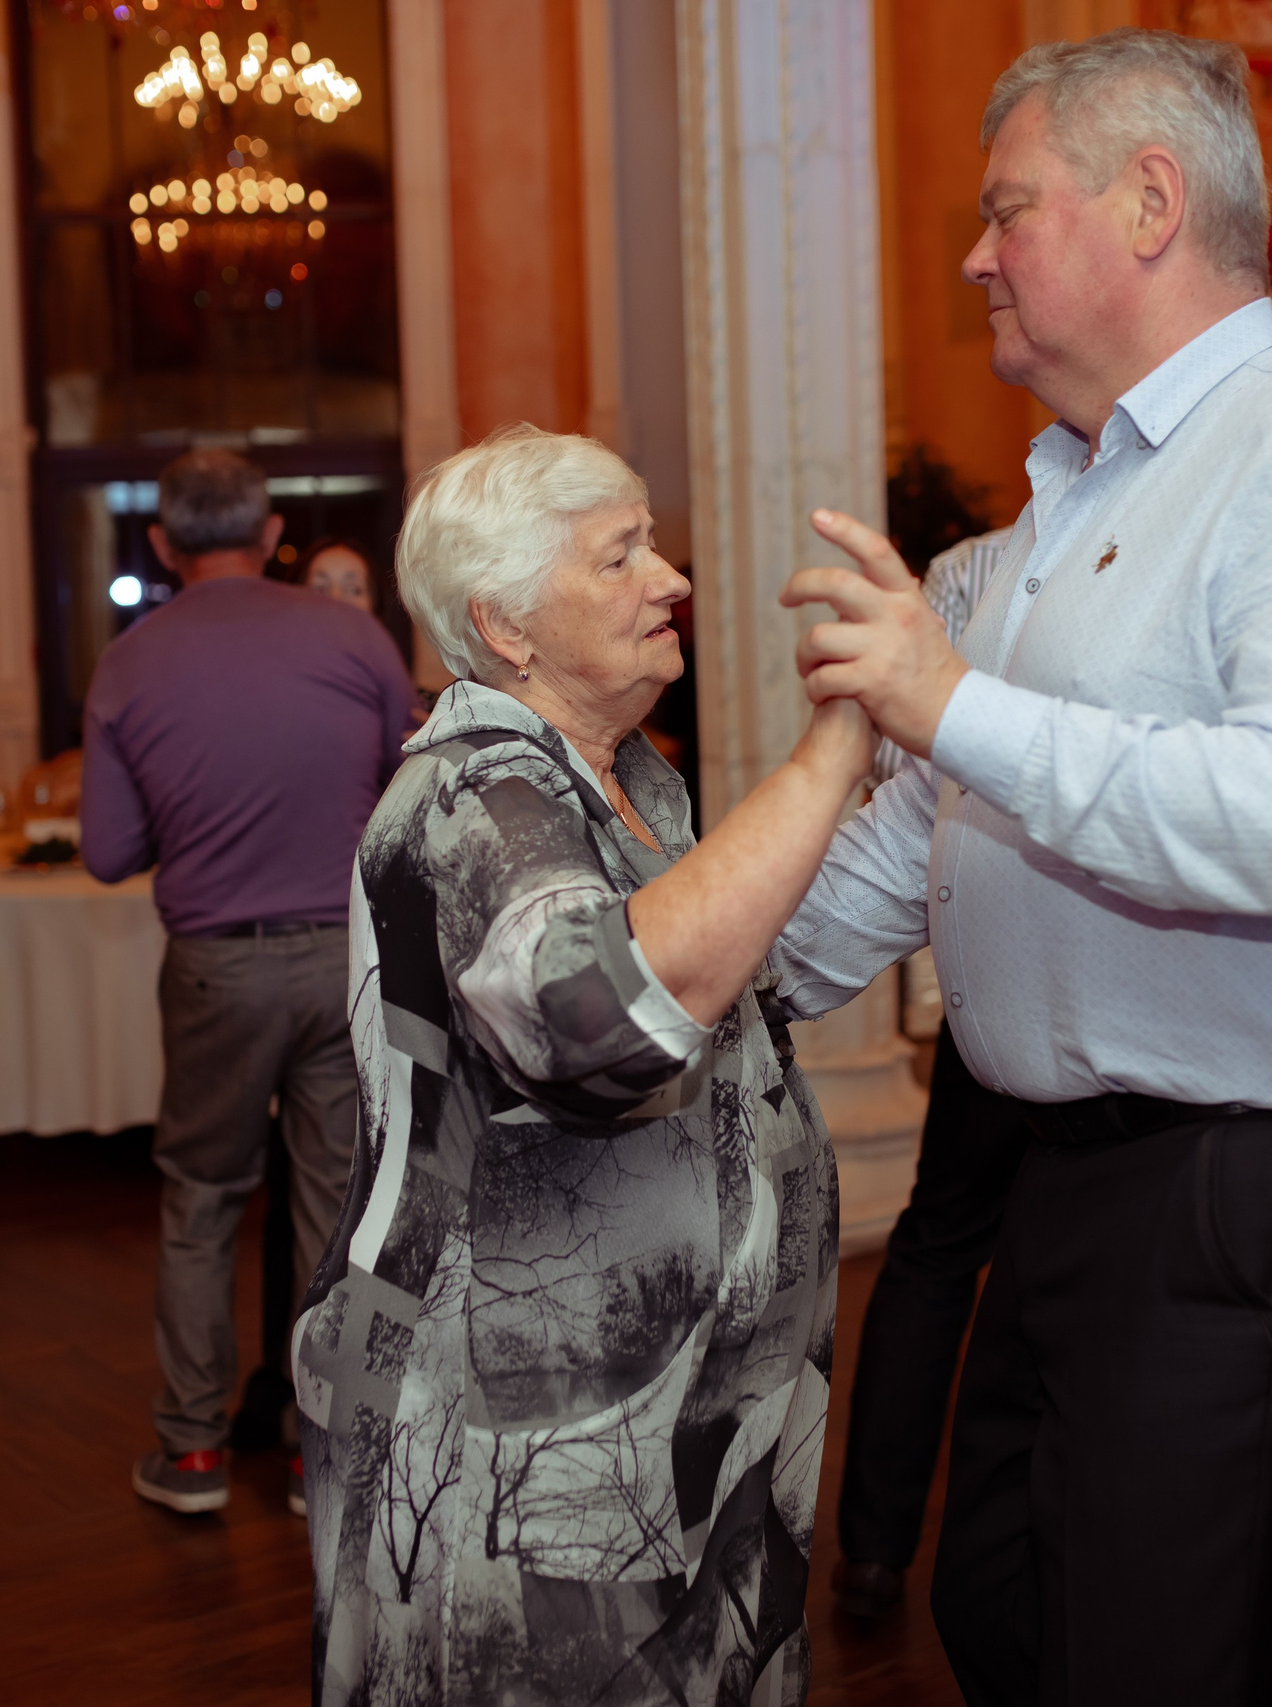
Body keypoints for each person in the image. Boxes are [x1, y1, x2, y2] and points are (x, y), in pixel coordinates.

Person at [772, 30, 1272, 1706]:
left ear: (1150, 200)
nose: (975, 253)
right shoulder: (1070, 498)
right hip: (1080, 1164)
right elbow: (947, 831)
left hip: (1251, 1173)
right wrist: (710, 969)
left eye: (1008, 208)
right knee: (1007, 1599)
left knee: (1142, 1657)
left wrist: (951, 701)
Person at [294, 425, 874, 1706]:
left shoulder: (629, 788)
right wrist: (834, 748)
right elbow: (596, 1022)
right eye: (620, 558)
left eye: (652, 545)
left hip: (670, 1421)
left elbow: (741, 974)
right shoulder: (471, 801)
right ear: (505, 627)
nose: (668, 578)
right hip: (512, 1437)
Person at [82, 448, 416, 1519]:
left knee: (201, 1203)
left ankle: (191, 1454)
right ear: (272, 535)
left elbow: (103, 849)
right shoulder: (356, 636)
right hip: (340, 956)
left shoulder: (128, 666)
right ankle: (322, 1459)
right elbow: (406, 791)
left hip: (218, 969)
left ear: (163, 545)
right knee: (335, 1207)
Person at [833, 528, 1030, 1623]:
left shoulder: (958, 574)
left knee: (937, 1248)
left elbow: (890, 771)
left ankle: (874, 1550)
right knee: (964, 1251)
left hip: (985, 977)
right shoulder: (974, 575)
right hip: (1039, 994)